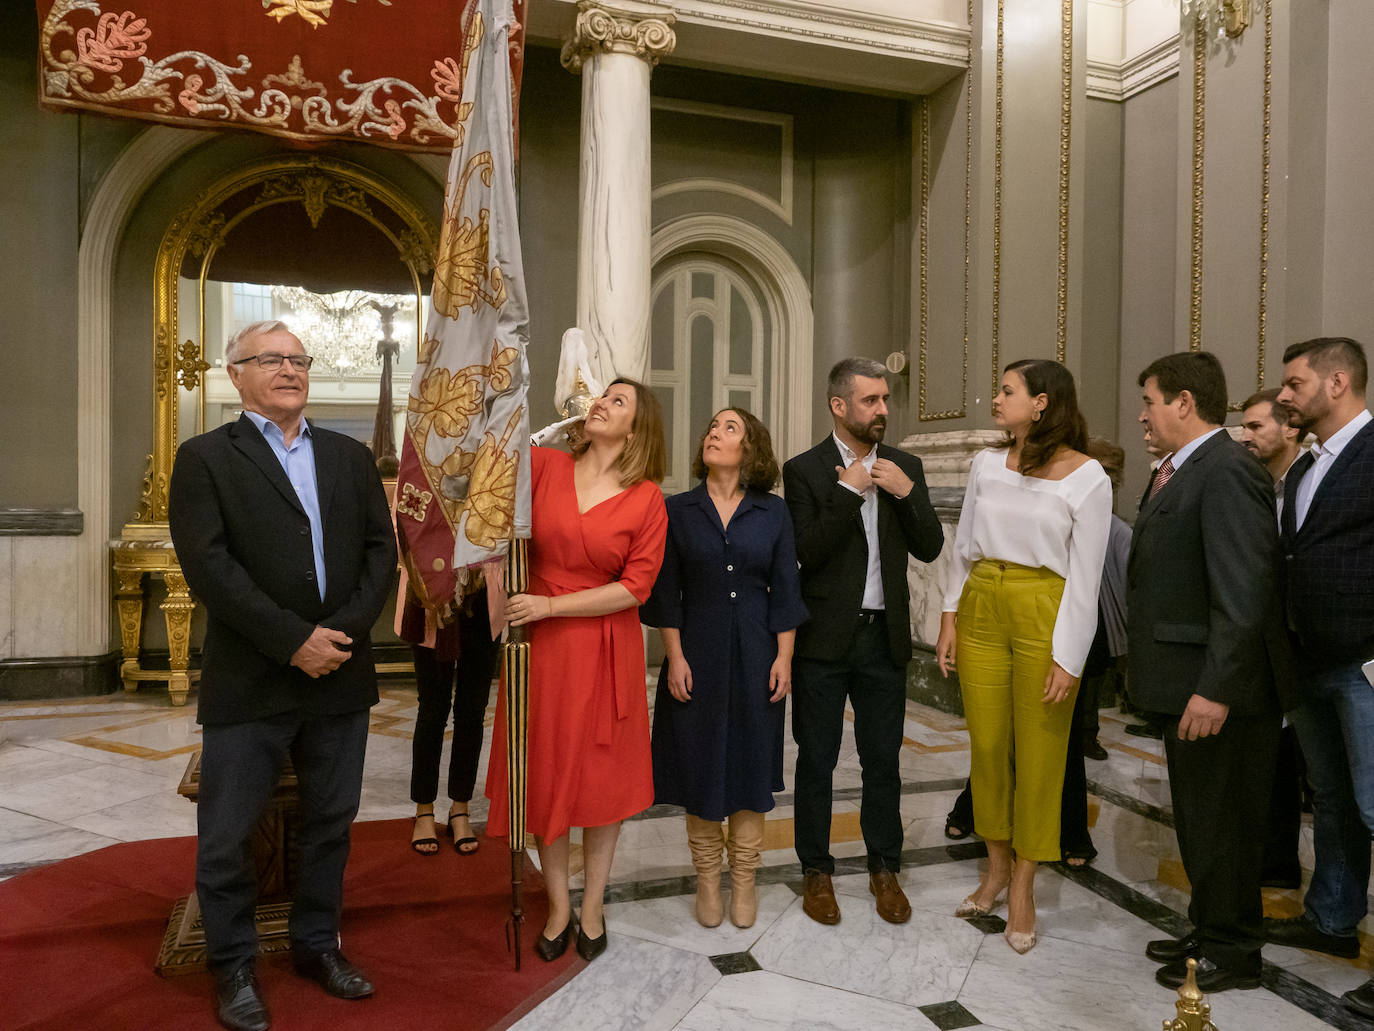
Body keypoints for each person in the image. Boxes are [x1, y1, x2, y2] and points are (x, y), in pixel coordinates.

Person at [167, 321, 396, 1031]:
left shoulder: (349, 456)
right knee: (229, 832)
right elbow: (211, 569)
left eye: (299, 359)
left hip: (341, 674)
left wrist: (343, 634)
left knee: (330, 822)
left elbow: (378, 553)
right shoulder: (205, 457)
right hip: (252, 676)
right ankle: (233, 964)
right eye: (273, 358)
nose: (291, 369)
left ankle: (316, 944)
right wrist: (293, 639)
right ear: (236, 373)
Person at [484, 379, 668, 964]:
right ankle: (559, 904)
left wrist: (551, 606)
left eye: (618, 402)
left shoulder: (647, 498)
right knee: (547, 775)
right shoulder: (544, 466)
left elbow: (635, 588)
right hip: (544, 653)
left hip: (604, 647)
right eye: (601, 397)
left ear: (637, 429)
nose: (602, 404)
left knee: (602, 784)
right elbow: (487, 464)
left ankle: (593, 905)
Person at [934, 359, 1111, 954]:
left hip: (1045, 607)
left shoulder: (1088, 477)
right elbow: (962, 548)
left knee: (1040, 755)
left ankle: (1026, 886)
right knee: (986, 747)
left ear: (1041, 402)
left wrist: (1069, 659)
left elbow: (1086, 579)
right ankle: (995, 869)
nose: (996, 396)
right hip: (983, 599)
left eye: (1007, 390)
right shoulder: (986, 463)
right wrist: (949, 616)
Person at [1130, 351, 1292, 993]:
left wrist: (1215, 689)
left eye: (1149, 401)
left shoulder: (1225, 471)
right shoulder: (1181, 470)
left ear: (1184, 403)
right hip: (1183, 682)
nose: (1143, 415)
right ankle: (1211, 927)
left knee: (1224, 825)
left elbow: (1245, 589)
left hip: (1216, 690)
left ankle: (1235, 950)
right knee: (1201, 820)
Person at [784, 357, 943, 927]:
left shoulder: (906, 466)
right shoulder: (804, 471)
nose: (882, 409)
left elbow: (929, 547)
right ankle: (816, 870)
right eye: (871, 400)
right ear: (839, 406)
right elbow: (807, 552)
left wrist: (906, 493)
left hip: (884, 640)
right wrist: (848, 493)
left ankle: (883, 866)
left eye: (884, 399)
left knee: (883, 761)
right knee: (817, 761)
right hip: (823, 642)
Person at [642, 408, 807, 930]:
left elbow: (786, 590)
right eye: (711, 426)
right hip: (697, 654)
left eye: (728, 428)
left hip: (759, 654)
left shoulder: (773, 512)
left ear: (751, 447)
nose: (713, 432)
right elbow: (665, 591)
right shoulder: (678, 509)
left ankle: (745, 878)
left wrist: (784, 657)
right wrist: (675, 656)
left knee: (751, 763)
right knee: (699, 763)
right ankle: (708, 879)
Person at [1265, 338, 1374, 1019]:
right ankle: (1332, 918)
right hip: (1309, 661)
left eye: (1295, 383)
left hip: (1365, 663)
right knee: (1332, 798)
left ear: (1337, 382)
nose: (1284, 395)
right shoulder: (1305, 467)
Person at [1239, 387, 1306, 891]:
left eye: (1256, 426)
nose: (1246, 436)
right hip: (1268, 649)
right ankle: (1275, 861)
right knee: (1276, 761)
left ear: (1290, 428)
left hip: (1309, 646)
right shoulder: (1257, 486)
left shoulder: (1309, 484)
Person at [396, 575, 498, 856]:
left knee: (473, 709)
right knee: (432, 707)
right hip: (430, 590)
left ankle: (460, 809)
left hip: (484, 590)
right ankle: (424, 810)